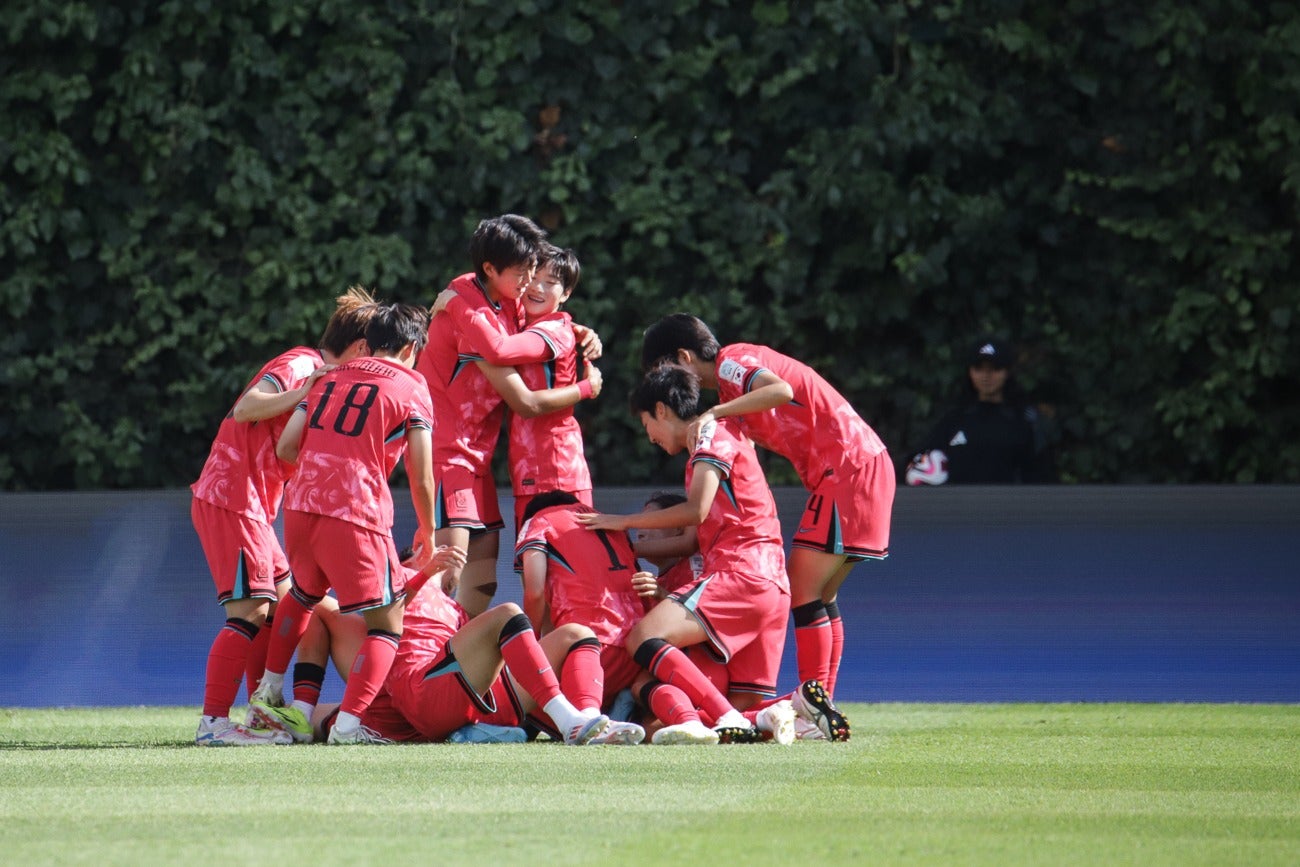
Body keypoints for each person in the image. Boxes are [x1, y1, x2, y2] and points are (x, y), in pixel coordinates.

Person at [641, 313, 890, 737]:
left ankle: (814, 708)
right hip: (856, 465)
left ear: (684, 356)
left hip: (846, 467)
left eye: (664, 369)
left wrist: (714, 412)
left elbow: (780, 390)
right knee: (821, 596)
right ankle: (820, 705)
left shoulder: (732, 362)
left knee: (805, 590)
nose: (665, 382)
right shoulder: (734, 404)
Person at [190, 287, 376, 746]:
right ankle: (213, 724)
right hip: (233, 496)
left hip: (253, 504)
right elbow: (247, 407)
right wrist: (303, 393)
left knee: (281, 608)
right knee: (251, 610)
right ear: (360, 350)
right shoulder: (302, 365)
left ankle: (259, 716)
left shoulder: (327, 384)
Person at [248, 302, 436, 745]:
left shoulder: (331, 374)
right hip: (355, 510)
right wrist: (429, 531)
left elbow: (288, 446)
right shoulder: (413, 386)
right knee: (387, 623)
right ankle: (350, 726)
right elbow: (422, 474)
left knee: (303, 593)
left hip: (300, 505)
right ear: (410, 347)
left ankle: (269, 687)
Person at [578, 364, 789, 744]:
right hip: (771, 582)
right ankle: (798, 707)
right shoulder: (717, 437)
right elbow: (693, 538)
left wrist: (622, 522)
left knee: (643, 638)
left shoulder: (709, 432)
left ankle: (714, 718)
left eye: (647, 426)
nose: (651, 438)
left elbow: (696, 511)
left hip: (741, 571)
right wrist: (628, 548)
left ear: (661, 410)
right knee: (745, 706)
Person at [253, 553, 642, 746]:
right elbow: (305, 604)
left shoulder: (454, 609)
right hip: (425, 692)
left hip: (447, 700)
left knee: (576, 632)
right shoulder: (398, 581)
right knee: (507, 614)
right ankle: (567, 722)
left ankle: (586, 717)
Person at [414, 215, 551, 619]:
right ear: (489, 269)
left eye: (534, 269)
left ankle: (457, 661)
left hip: (477, 456)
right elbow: (499, 352)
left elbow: (537, 331)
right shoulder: (463, 297)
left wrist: (575, 334)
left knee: (483, 578)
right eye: (521, 271)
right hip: (445, 448)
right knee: (447, 568)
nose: (530, 280)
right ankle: (409, 657)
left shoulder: (510, 303)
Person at [514, 491, 647, 714]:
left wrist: (532, 643)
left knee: (515, 700)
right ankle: (618, 706)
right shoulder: (609, 522)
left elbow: (534, 591)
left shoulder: (538, 521)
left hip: (589, 649)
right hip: (637, 651)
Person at [904, 337, 1057, 485]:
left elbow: (1041, 475)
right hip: (959, 508)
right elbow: (920, 460)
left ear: (1007, 372)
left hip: (1009, 508)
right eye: (979, 369)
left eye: (995, 369)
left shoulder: (1024, 421)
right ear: (970, 372)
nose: (986, 376)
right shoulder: (954, 419)